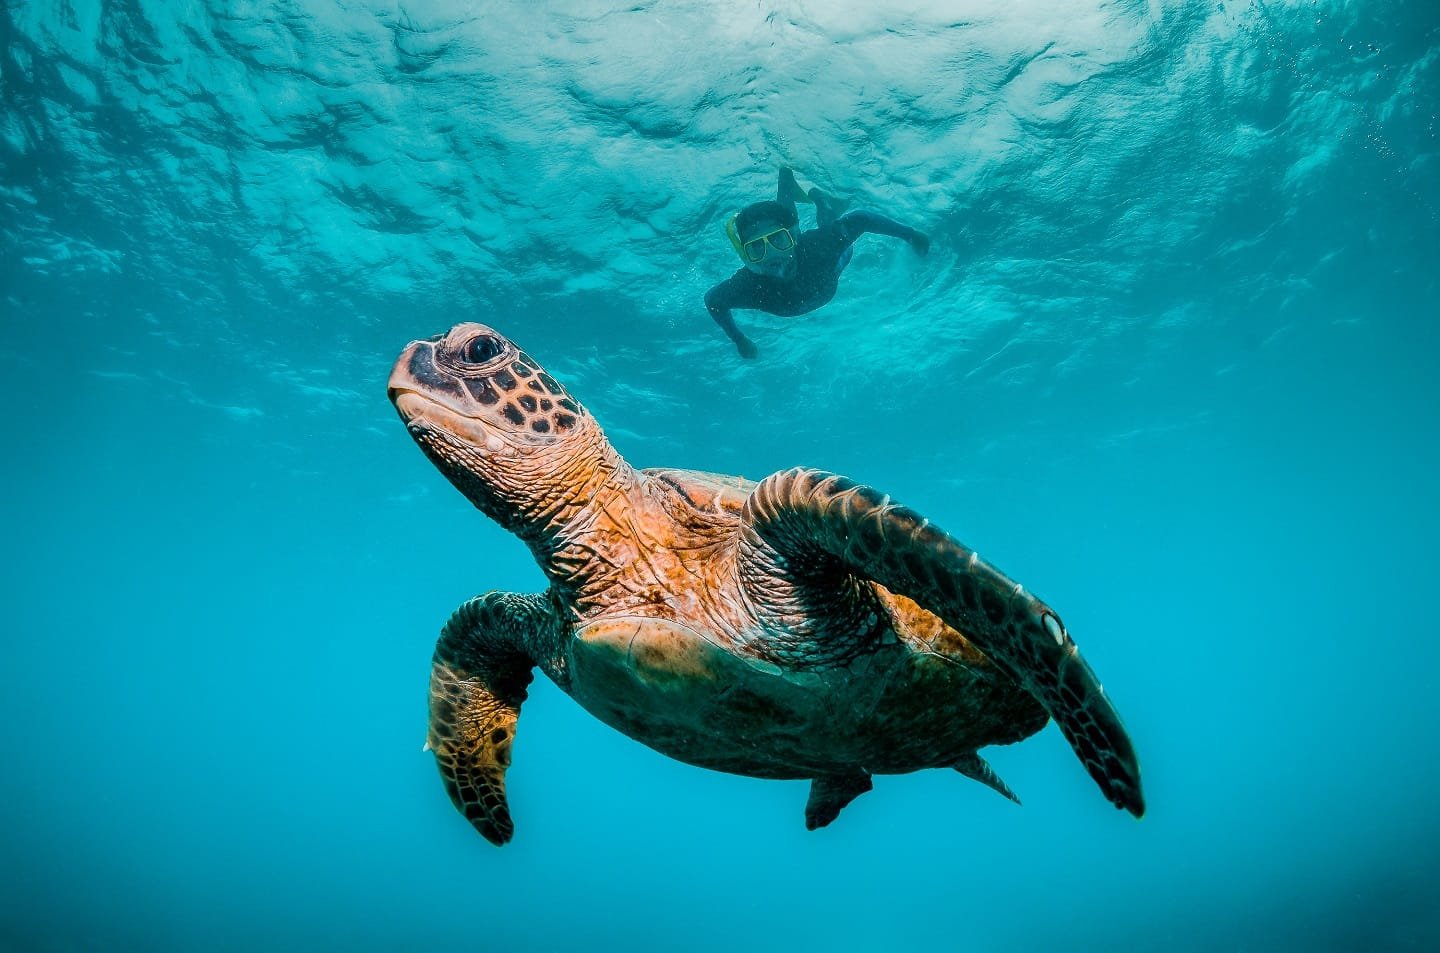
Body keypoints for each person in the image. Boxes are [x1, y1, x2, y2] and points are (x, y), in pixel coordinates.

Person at [704, 167, 931, 358]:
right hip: (818, 269)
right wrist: (739, 339)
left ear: (792, 239)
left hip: (834, 262)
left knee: (829, 227)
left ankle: (820, 200)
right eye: (757, 248)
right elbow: (713, 301)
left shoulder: (818, 246)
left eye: (778, 241)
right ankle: (788, 179)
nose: (772, 255)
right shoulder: (748, 284)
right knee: (787, 222)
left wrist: (910, 234)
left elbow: (862, 218)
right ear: (746, 255)